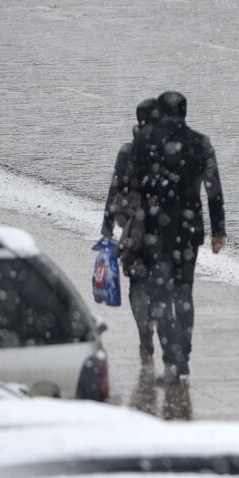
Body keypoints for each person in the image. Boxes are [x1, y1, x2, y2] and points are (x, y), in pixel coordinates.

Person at [134, 91, 226, 385]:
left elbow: (134, 185)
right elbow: (213, 189)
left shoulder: (147, 142)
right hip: (189, 232)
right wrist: (218, 230)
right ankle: (183, 353)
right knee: (184, 292)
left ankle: (172, 360)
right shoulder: (200, 143)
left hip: (155, 232)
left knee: (161, 297)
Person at [101, 98, 164, 365]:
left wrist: (106, 226)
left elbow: (116, 188)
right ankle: (156, 331)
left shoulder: (128, 151)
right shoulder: (169, 149)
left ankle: (145, 333)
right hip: (163, 231)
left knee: (138, 283)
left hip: (132, 231)